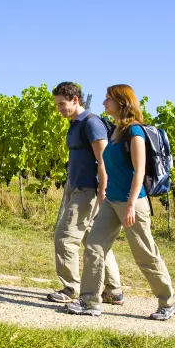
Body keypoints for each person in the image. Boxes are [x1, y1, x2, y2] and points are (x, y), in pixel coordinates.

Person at [65, 84, 175, 321]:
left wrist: (129, 205)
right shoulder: (114, 131)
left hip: (132, 203)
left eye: (108, 99)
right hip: (111, 201)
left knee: (145, 254)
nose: (104, 103)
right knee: (94, 247)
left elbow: (139, 172)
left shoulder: (135, 133)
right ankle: (89, 302)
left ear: (121, 102)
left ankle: (169, 302)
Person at [47, 81, 125, 305]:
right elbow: (77, 161)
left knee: (65, 237)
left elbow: (103, 160)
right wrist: (70, 189)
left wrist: (102, 192)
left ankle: (71, 288)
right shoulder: (75, 124)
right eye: (57, 105)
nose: (59, 108)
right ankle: (113, 290)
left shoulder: (91, 124)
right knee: (94, 241)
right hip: (80, 189)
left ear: (75, 99)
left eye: (62, 104)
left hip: (91, 191)